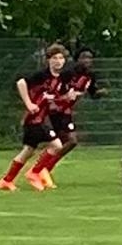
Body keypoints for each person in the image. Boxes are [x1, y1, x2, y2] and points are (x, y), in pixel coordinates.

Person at [28, 46, 104, 187]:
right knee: (66, 141)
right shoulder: (67, 73)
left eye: (89, 58)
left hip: (65, 111)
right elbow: (54, 88)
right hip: (53, 110)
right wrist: (61, 98)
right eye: (83, 57)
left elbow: (92, 92)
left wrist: (99, 93)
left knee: (66, 142)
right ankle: (40, 171)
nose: (87, 60)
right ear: (77, 59)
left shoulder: (90, 76)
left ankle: (42, 170)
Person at [0, 44, 67, 191]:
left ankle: (6, 180)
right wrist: (29, 103)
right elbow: (21, 82)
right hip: (33, 119)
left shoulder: (59, 79)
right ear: (48, 60)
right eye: (54, 58)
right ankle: (34, 172)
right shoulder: (42, 75)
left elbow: (52, 98)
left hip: (41, 118)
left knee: (28, 151)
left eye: (61, 58)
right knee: (56, 145)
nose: (58, 61)